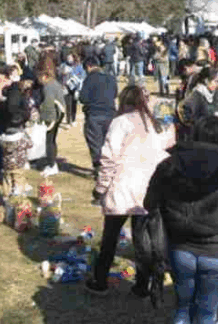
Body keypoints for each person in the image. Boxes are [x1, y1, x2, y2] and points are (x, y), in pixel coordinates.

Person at [144, 117, 218, 324]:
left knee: (183, 307)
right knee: (207, 312)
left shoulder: (168, 165)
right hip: (214, 250)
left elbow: (149, 203)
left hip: (180, 247)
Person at [86, 86, 175, 296]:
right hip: (147, 188)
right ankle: (142, 284)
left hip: (124, 186)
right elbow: (165, 150)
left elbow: (109, 157)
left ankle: (101, 281)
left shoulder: (122, 122)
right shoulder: (154, 123)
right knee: (142, 240)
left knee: (111, 238)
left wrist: (100, 188)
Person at [79, 55, 117, 173]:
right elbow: (115, 94)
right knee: (110, 143)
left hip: (94, 114)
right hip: (110, 114)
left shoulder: (89, 79)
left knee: (96, 144)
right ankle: (111, 167)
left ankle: (99, 169)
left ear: (89, 67)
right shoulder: (110, 78)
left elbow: (83, 98)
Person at [37, 59, 66, 176]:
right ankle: (52, 163)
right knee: (52, 141)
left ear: (44, 76)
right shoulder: (55, 83)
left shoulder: (48, 87)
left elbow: (48, 103)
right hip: (58, 114)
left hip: (52, 117)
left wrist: (46, 120)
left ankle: (52, 165)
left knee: (49, 142)